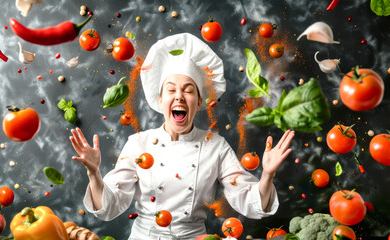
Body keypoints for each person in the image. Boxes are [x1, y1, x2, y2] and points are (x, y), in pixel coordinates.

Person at [69, 33, 295, 240]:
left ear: (199, 101)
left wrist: (267, 174)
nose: (179, 96)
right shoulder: (138, 144)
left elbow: (249, 201)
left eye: (188, 90)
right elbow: (109, 206)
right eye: (171, 89)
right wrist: (94, 173)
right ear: (160, 99)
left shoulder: (215, 146)